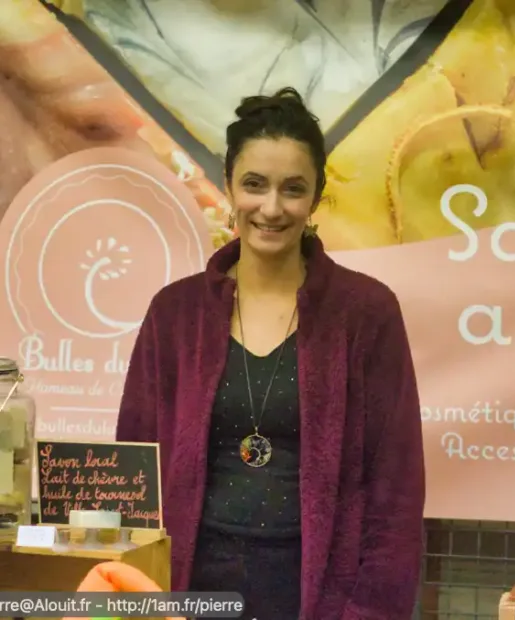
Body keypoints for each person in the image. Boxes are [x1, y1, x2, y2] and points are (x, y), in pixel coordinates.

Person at [115, 86, 425, 619]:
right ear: (229, 185)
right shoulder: (175, 313)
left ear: (316, 196)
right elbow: (133, 472)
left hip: (318, 593)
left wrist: (367, 610)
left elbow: (394, 489)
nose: (272, 208)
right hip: (189, 587)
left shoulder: (367, 313)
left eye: (293, 188)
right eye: (255, 184)